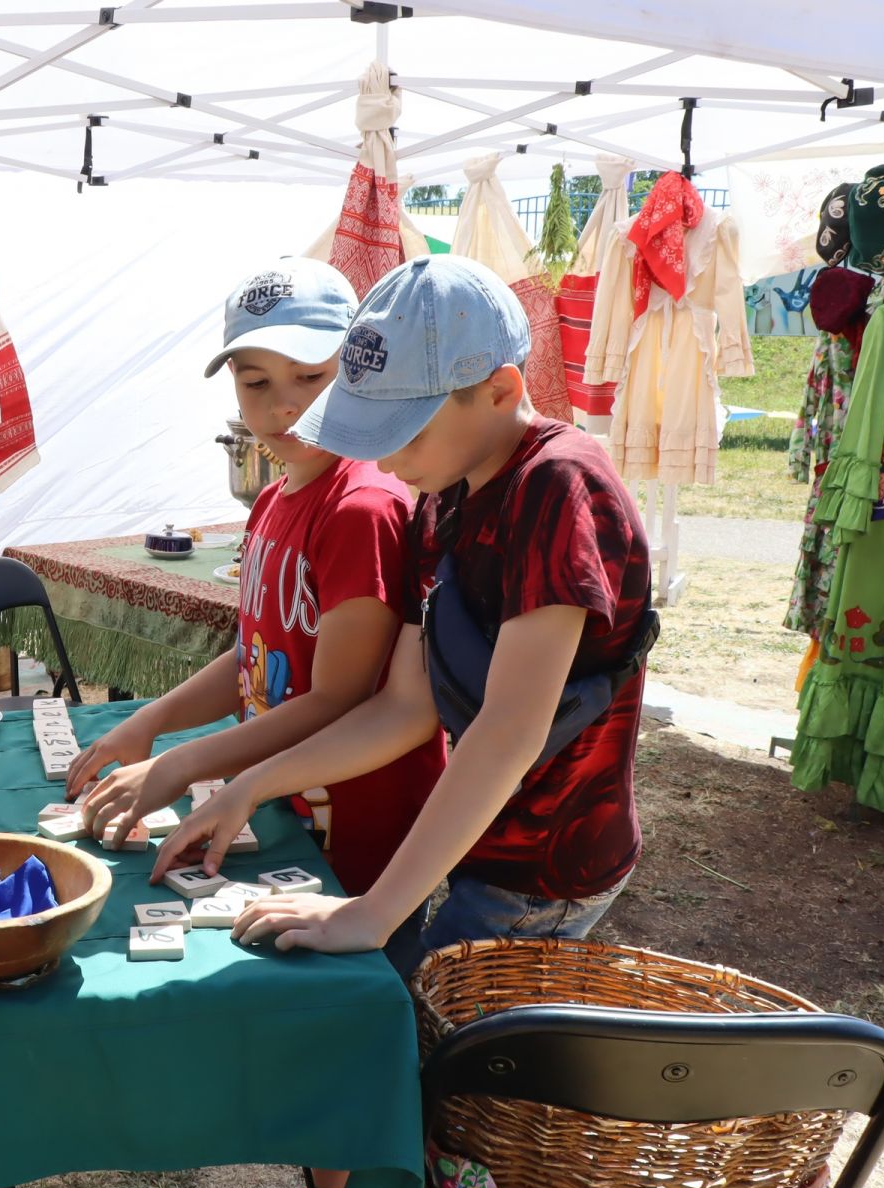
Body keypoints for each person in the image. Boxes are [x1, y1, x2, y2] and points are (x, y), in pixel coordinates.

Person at [162, 253, 652, 974]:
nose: (386, 459)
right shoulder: (442, 496)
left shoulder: (559, 486)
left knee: (439, 1056)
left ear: (499, 389)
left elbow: (509, 733)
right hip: (475, 842)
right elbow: (404, 706)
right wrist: (252, 782)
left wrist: (372, 910)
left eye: (407, 431)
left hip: (545, 861)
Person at [69, 259, 442, 903]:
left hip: (357, 840)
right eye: (256, 382)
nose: (284, 405)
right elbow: (256, 652)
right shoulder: (272, 500)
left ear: (355, 367)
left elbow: (336, 698)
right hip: (276, 806)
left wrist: (180, 762)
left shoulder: (362, 507)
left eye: (311, 377)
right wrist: (152, 721)